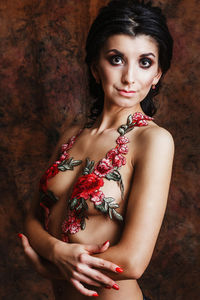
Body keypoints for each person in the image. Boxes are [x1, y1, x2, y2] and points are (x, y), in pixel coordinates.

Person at [19, 0, 174, 299]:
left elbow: (133, 260)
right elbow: (31, 221)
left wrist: (51, 267)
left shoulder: (153, 141)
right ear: (94, 67)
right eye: (116, 59)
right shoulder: (71, 136)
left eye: (145, 62)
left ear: (157, 74)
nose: (130, 77)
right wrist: (56, 250)